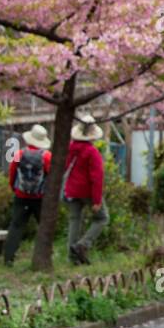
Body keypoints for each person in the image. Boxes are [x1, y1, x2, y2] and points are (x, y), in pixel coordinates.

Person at [3, 124, 52, 267]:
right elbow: (51, 177)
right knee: (43, 226)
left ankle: (8, 258)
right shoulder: (47, 157)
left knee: (16, 226)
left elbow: (12, 173)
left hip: (21, 195)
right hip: (39, 198)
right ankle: (44, 255)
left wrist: (14, 188)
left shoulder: (19, 154)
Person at [63, 114, 108, 266]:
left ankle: (72, 257)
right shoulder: (92, 152)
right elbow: (97, 177)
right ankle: (83, 245)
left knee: (74, 221)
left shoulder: (70, 148)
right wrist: (96, 200)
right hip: (87, 191)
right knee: (102, 218)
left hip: (71, 190)